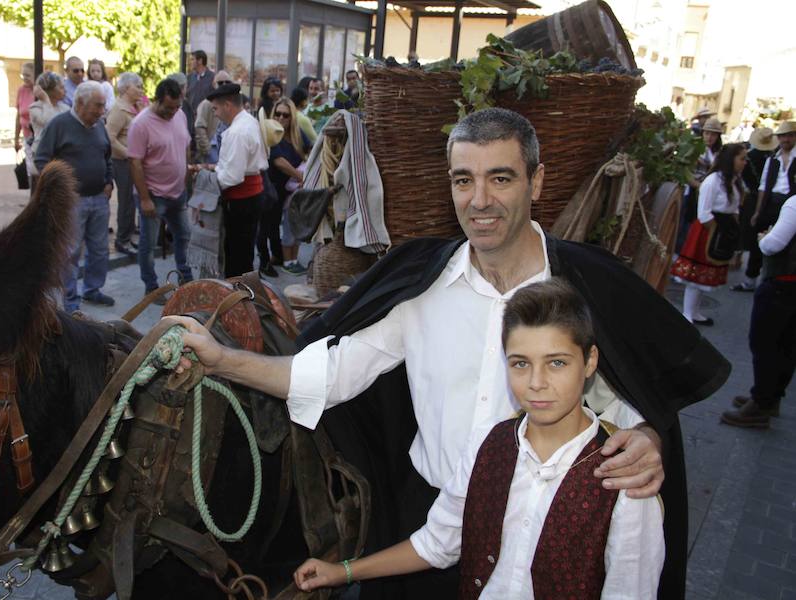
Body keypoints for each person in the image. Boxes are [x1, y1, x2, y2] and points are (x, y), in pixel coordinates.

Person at [167, 107, 729, 599]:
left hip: (542, 534)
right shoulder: (422, 284)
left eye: (500, 178)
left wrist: (647, 437)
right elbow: (331, 375)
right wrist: (222, 360)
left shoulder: (587, 289)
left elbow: (627, 399)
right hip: (424, 527)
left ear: (536, 182)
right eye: (464, 180)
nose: (479, 200)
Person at [293, 278, 665, 599]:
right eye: (521, 363)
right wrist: (342, 572)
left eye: (557, 363)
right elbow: (437, 543)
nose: (536, 382)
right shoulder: (488, 445)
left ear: (590, 361)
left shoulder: (623, 475)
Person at [34, 81, 114, 311]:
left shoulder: (99, 126)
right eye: (97, 106)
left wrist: (109, 181)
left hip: (99, 198)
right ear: (80, 103)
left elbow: (107, 156)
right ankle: (70, 300)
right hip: (72, 201)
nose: (102, 111)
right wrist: (58, 190)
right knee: (69, 252)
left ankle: (92, 289)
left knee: (99, 249)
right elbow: (42, 160)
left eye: (103, 106)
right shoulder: (59, 125)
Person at [722, 193, 796, 428]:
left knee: (766, 343)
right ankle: (771, 397)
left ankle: (760, 403)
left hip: (782, 282)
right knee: (787, 345)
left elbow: (773, 244)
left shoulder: (794, 204)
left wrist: (764, 238)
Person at [127, 78, 193, 303]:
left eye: (177, 107)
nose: (173, 112)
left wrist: (186, 175)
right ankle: (152, 288)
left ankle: (186, 281)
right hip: (154, 196)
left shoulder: (180, 115)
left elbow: (185, 146)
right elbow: (135, 163)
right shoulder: (141, 124)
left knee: (184, 236)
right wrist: (145, 199)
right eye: (168, 108)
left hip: (178, 192)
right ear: (157, 100)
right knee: (148, 245)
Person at [671, 143, 747, 325]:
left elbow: (735, 208)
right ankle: (687, 314)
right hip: (708, 230)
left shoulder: (734, 181)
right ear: (731, 159)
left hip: (723, 230)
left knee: (705, 275)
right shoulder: (712, 181)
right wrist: (716, 232)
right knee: (695, 275)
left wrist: (731, 230)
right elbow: (704, 213)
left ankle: (695, 312)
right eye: (742, 158)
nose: (745, 162)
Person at [199, 82, 267, 277]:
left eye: (215, 109)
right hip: (249, 196)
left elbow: (232, 176)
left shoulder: (237, 131)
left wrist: (207, 181)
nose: (215, 114)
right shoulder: (248, 121)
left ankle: (238, 293)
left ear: (228, 105)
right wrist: (215, 168)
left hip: (241, 201)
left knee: (237, 258)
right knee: (243, 253)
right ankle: (242, 290)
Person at [263, 97, 311, 276]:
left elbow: (310, 149)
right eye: (278, 113)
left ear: (292, 117)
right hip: (275, 188)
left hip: (294, 191)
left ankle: (286, 258)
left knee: (293, 226)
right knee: (272, 226)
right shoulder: (271, 132)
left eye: (285, 115)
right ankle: (279, 257)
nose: (281, 118)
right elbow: (278, 161)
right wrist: (301, 176)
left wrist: (309, 168)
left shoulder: (298, 133)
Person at [733, 127, 777, 292]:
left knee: (751, 236)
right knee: (763, 238)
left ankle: (750, 276)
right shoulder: (773, 157)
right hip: (768, 200)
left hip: (752, 199)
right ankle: (761, 276)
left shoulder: (750, 157)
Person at [106, 71, 145, 257]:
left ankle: (127, 237)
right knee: (127, 201)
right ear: (127, 88)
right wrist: (129, 154)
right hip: (122, 162)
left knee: (131, 200)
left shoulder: (134, 107)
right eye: (138, 86)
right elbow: (109, 137)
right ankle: (122, 239)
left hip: (132, 162)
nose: (141, 90)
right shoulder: (119, 109)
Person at [677, 117, 724, 252]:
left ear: (718, 137)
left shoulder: (719, 153)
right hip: (693, 189)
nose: (709, 137)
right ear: (702, 133)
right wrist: (697, 185)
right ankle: (681, 251)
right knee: (687, 221)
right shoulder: (694, 148)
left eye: (713, 134)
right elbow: (685, 171)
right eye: (707, 133)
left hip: (708, 191)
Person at [751, 121, 796, 235]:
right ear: (778, 138)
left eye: (790, 135)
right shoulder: (772, 160)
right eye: (783, 136)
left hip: (790, 204)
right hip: (771, 202)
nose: (786, 139)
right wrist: (758, 211)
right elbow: (763, 186)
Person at [28, 71, 69, 192]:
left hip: (61, 154)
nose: (65, 90)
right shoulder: (35, 108)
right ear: (50, 90)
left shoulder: (65, 108)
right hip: (43, 156)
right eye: (61, 87)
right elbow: (49, 122)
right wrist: (46, 100)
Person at [194, 70, 231, 162]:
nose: (224, 85)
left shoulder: (232, 104)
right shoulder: (206, 104)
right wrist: (208, 150)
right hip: (212, 153)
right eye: (220, 83)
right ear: (214, 84)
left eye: (227, 82)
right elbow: (199, 127)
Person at [14, 62, 35, 174]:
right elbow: (18, 116)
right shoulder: (21, 90)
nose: (24, 78)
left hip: (40, 138)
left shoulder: (40, 91)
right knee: (30, 171)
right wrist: (16, 139)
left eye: (27, 75)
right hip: (27, 138)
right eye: (23, 75)